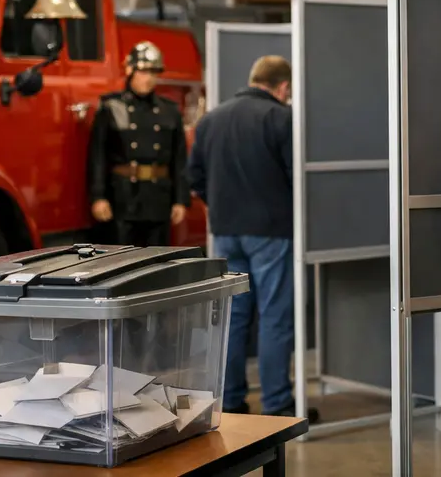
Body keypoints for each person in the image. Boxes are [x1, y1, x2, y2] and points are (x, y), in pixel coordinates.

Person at [187, 55, 310, 419]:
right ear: (283, 87)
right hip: (272, 233)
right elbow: (297, 178)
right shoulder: (280, 118)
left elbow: (194, 177)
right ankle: (277, 404)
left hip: (225, 232)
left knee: (234, 317)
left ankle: (231, 401)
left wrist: (222, 207)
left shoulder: (210, 120)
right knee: (275, 317)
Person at [87, 41, 190, 247]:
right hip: (122, 197)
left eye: (153, 72)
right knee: (121, 261)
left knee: (158, 262)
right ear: (130, 70)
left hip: (158, 197)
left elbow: (179, 159)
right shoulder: (112, 107)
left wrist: (180, 199)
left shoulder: (169, 111)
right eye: (143, 71)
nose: (149, 78)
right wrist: (98, 196)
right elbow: (97, 155)